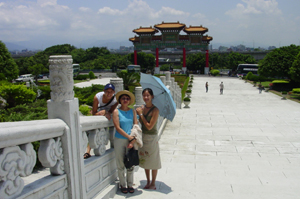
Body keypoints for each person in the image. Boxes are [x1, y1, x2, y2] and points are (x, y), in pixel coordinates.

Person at [112, 90, 138, 194]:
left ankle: (130, 184)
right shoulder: (116, 111)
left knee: (130, 163)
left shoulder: (133, 111)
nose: (125, 100)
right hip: (120, 140)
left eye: (127, 98)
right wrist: (128, 137)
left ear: (130, 100)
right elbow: (117, 128)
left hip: (131, 140)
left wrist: (133, 139)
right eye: (123, 98)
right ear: (120, 100)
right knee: (121, 163)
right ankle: (123, 184)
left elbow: (135, 126)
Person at [83, 83, 118, 159]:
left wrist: (106, 112)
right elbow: (94, 112)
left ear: (114, 92)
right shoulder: (97, 97)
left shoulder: (115, 100)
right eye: (107, 91)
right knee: (94, 131)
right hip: (99, 112)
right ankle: (88, 151)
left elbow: (111, 110)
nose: (109, 93)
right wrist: (100, 113)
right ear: (104, 91)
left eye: (111, 92)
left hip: (110, 114)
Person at [136, 88, 161, 190]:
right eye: (144, 95)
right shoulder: (142, 108)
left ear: (152, 97)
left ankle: (153, 183)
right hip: (143, 136)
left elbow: (150, 126)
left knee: (153, 160)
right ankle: (148, 181)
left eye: (148, 95)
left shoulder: (155, 110)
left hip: (152, 137)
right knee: (145, 159)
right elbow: (140, 123)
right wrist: (139, 114)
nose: (146, 97)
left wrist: (141, 115)